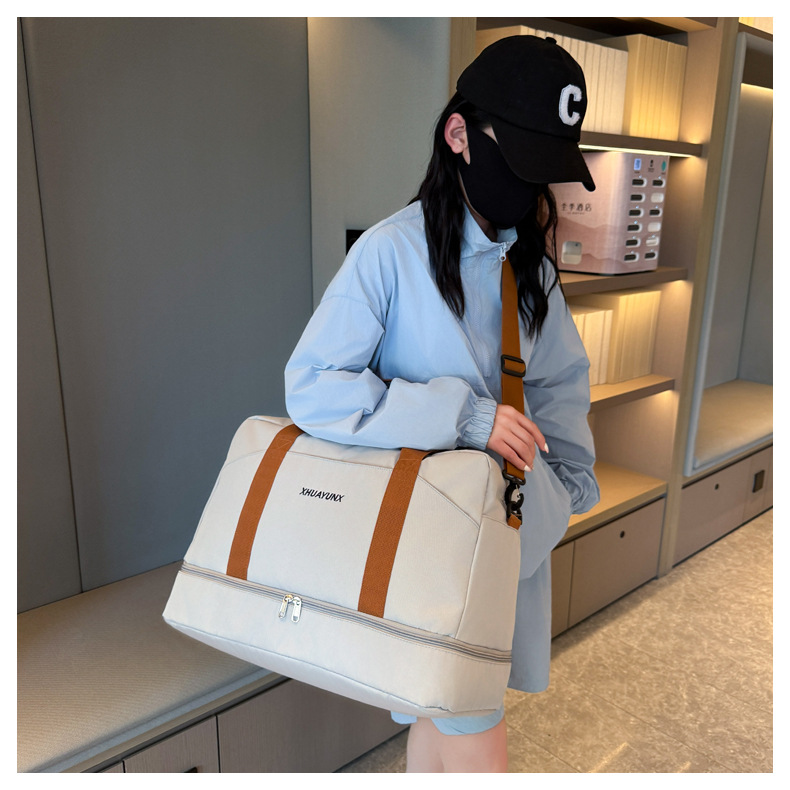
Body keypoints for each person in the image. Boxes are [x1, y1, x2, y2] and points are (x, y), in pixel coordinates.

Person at [284, 35, 600, 773]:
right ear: (459, 134)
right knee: (467, 715)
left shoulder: (531, 265)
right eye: (520, 160)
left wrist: (567, 487)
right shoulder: (389, 253)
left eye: (546, 168)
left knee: (441, 710)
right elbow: (313, 385)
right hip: (420, 542)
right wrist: (464, 417)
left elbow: (559, 383)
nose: (531, 188)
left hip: (504, 536)